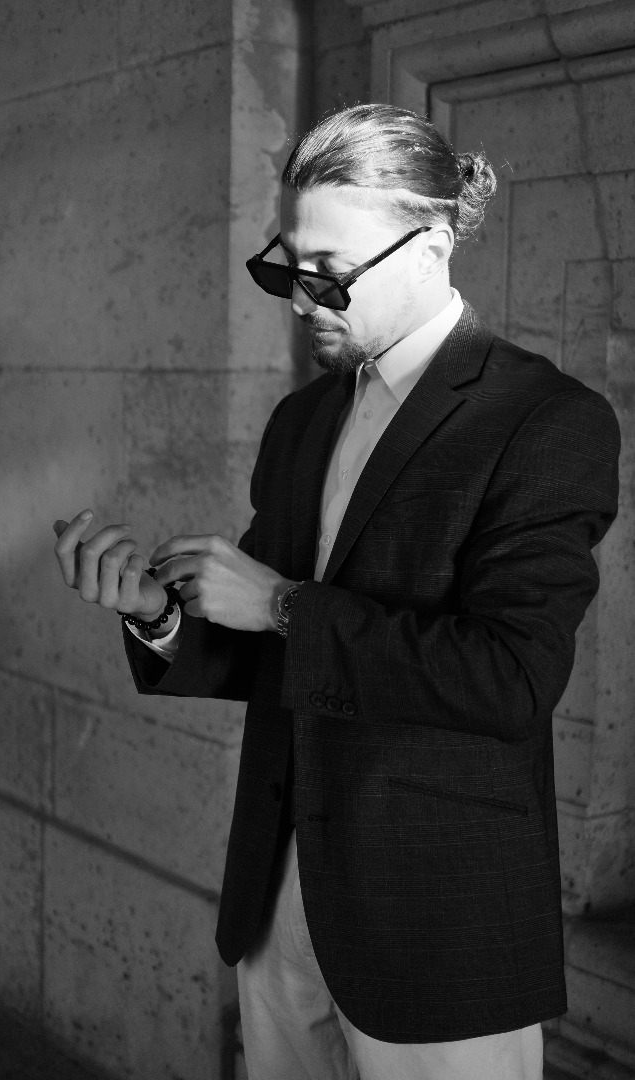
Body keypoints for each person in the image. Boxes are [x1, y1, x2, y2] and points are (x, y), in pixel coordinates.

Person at [53, 104, 620, 1080]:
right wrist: (159, 614)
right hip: (279, 899)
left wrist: (282, 603)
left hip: (435, 925)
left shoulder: (544, 421)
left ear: (431, 247)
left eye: (328, 274)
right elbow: (276, 655)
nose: (300, 301)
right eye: (285, 267)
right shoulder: (303, 419)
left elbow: (511, 679)